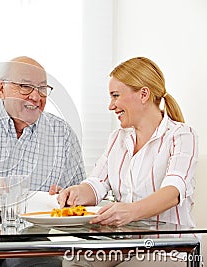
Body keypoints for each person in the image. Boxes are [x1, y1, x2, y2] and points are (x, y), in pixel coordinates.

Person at [57, 57, 198, 266]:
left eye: (116, 96)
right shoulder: (117, 138)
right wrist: (76, 193)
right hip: (123, 245)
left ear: (143, 94)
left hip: (168, 248)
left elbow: (173, 191)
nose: (111, 106)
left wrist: (130, 211)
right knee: (72, 261)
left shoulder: (181, 135)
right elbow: (96, 184)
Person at [0, 56, 86, 207]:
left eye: (42, 88)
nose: (35, 96)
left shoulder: (63, 135)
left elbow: (82, 200)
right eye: (25, 86)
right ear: (1, 89)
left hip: (40, 229)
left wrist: (67, 198)